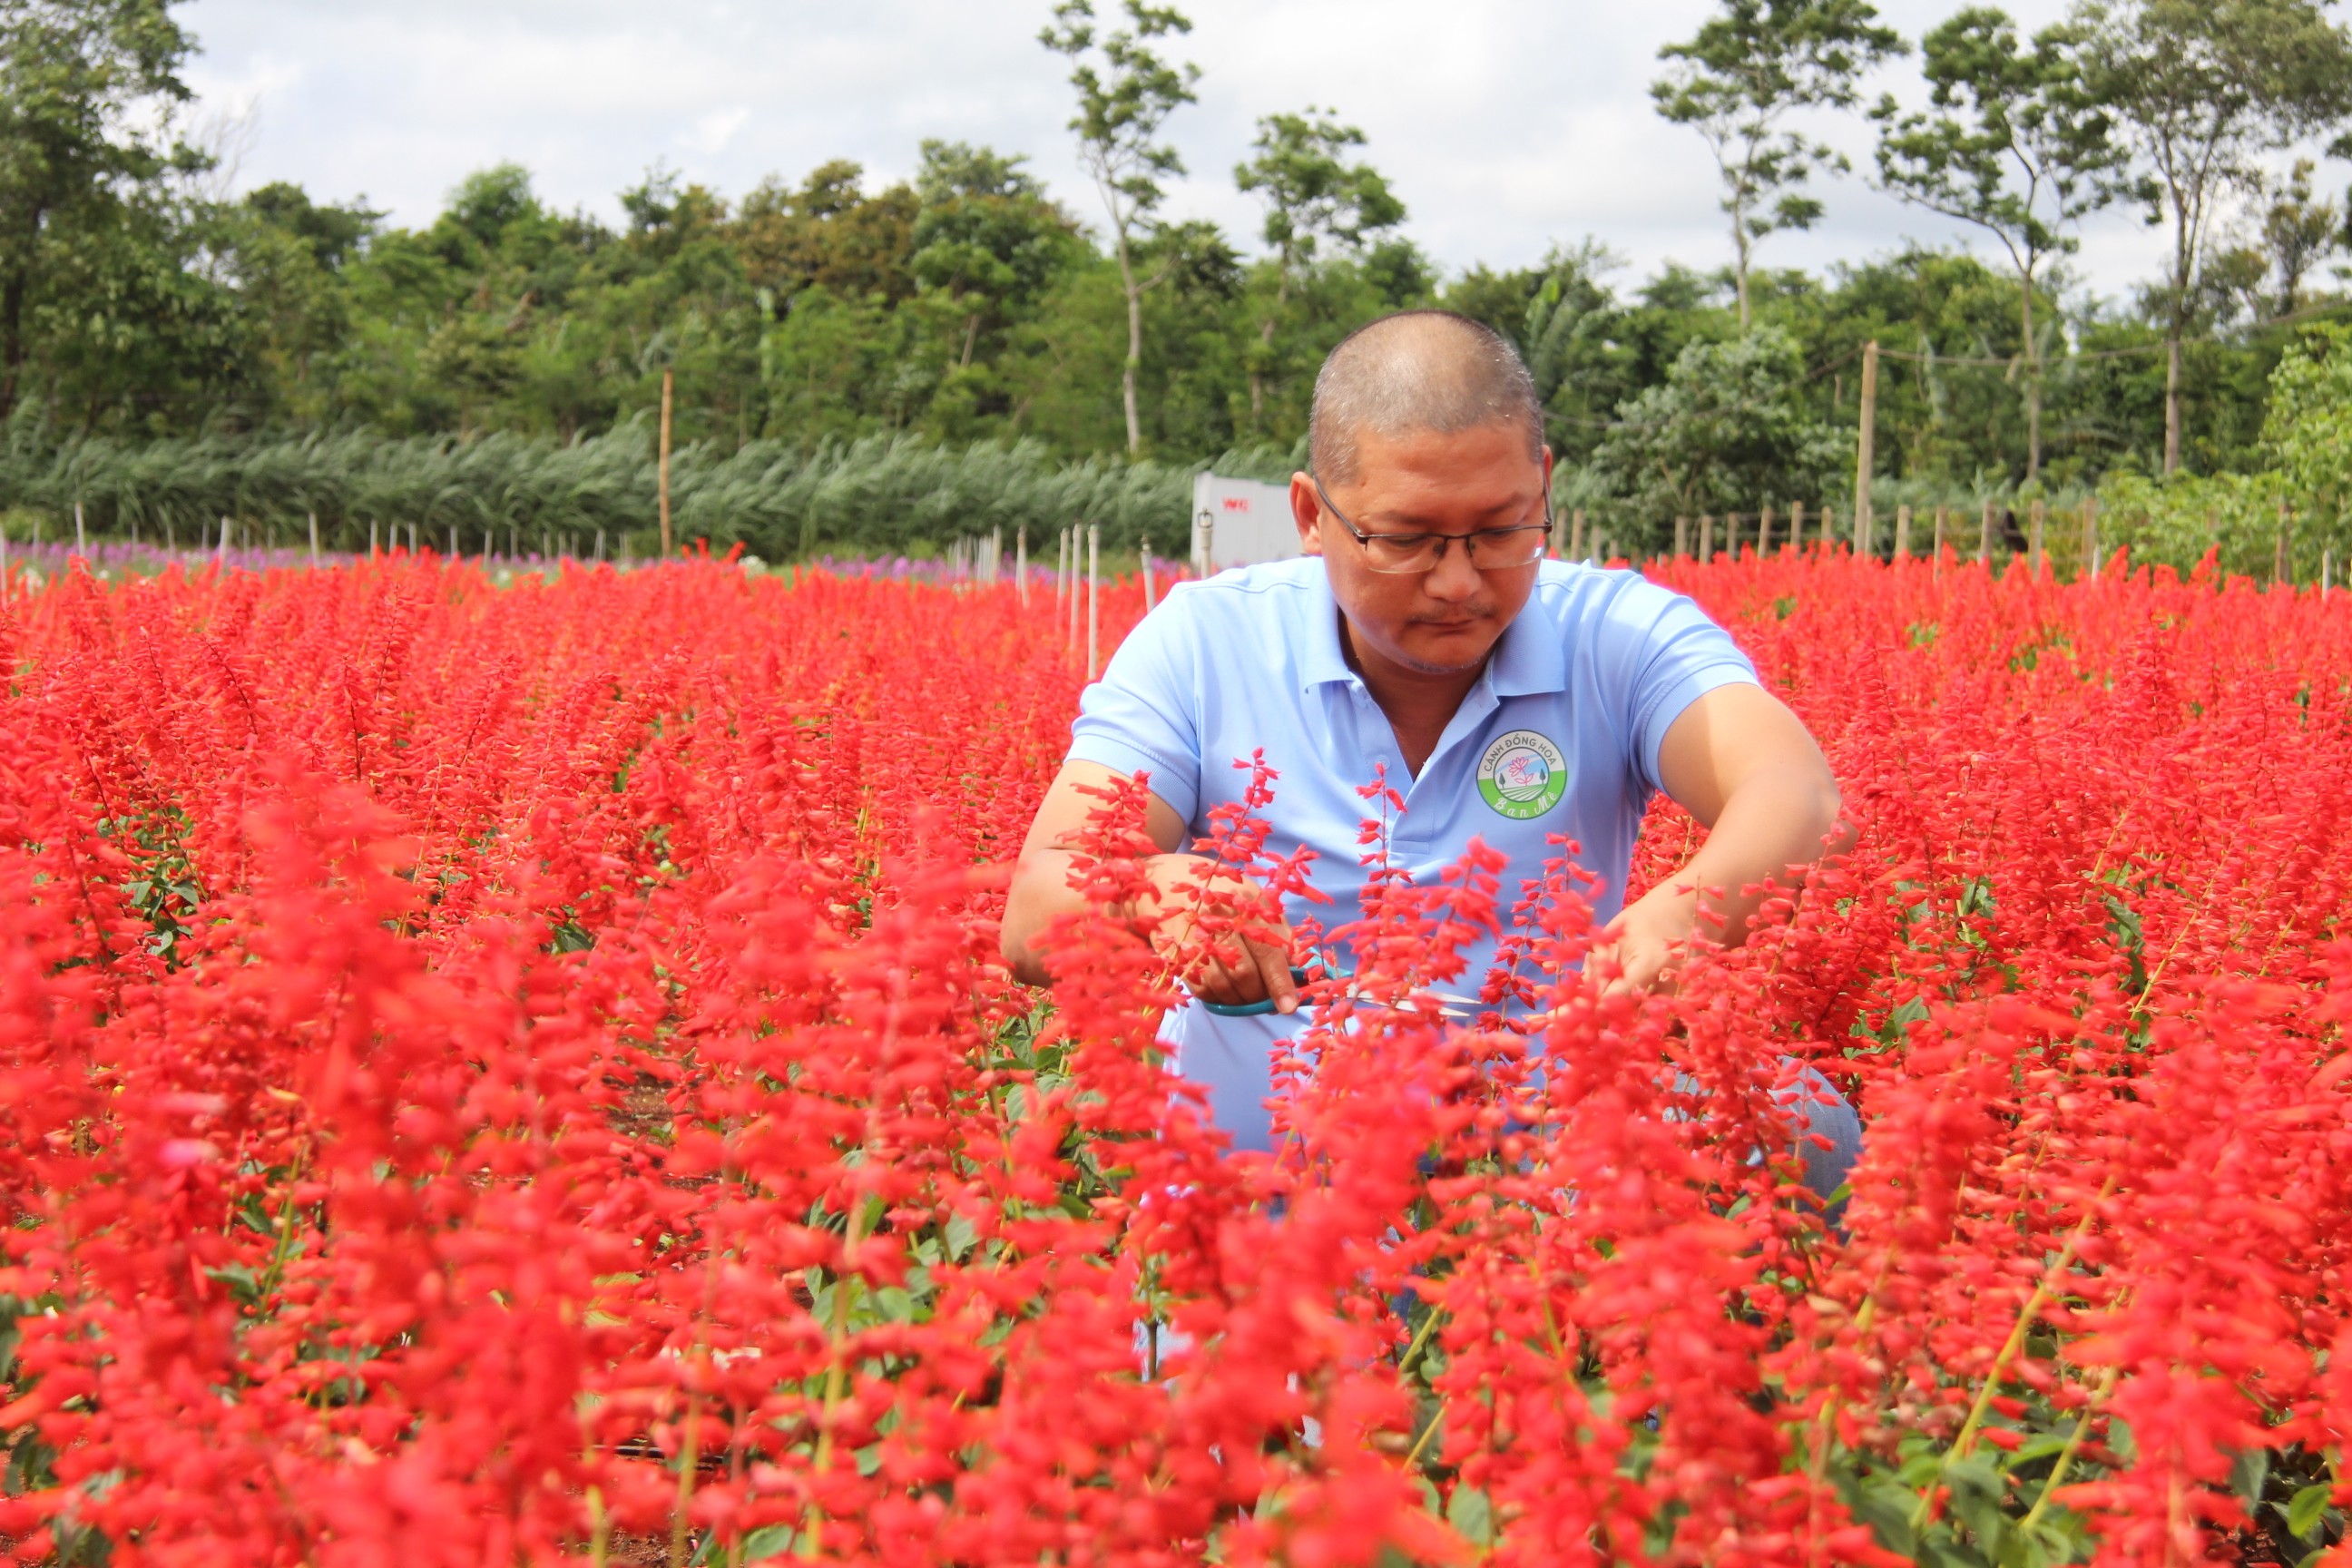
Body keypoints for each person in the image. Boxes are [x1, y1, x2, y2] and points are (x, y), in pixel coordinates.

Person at [1002, 310, 1858, 1200]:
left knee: (1804, 1124)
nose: (1458, 582)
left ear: (1544, 486)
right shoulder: (1204, 640)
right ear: (1311, 514)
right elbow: (1035, 910)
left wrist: (1677, 921)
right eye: (1406, 539)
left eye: (1501, 531)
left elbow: (1793, 790)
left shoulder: (1618, 632)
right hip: (1270, 1152)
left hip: (1534, 1135)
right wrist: (1155, 889)